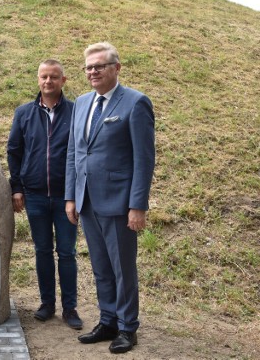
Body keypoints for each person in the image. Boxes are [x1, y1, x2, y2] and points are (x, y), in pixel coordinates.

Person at [65, 42, 155, 354]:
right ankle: (108, 320)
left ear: (116, 68)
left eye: (99, 66)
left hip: (119, 203)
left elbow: (144, 159)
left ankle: (128, 328)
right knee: (101, 267)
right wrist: (70, 197)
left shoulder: (136, 103)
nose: (92, 72)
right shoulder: (81, 103)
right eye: (88, 67)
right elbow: (74, 153)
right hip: (87, 202)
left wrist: (137, 205)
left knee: (122, 269)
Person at [7, 59, 83, 329]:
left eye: (53, 77)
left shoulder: (77, 112)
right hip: (35, 196)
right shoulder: (24, 113)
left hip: (66, 198)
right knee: (42, 251)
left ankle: (70, 308)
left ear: (63, 80)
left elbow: (83, 154)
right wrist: (16, 187)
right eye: (43, 77)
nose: (48, 81)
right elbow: (14, 151)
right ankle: (47, 303)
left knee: (67, 252)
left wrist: (77, 193)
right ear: (38, 79)